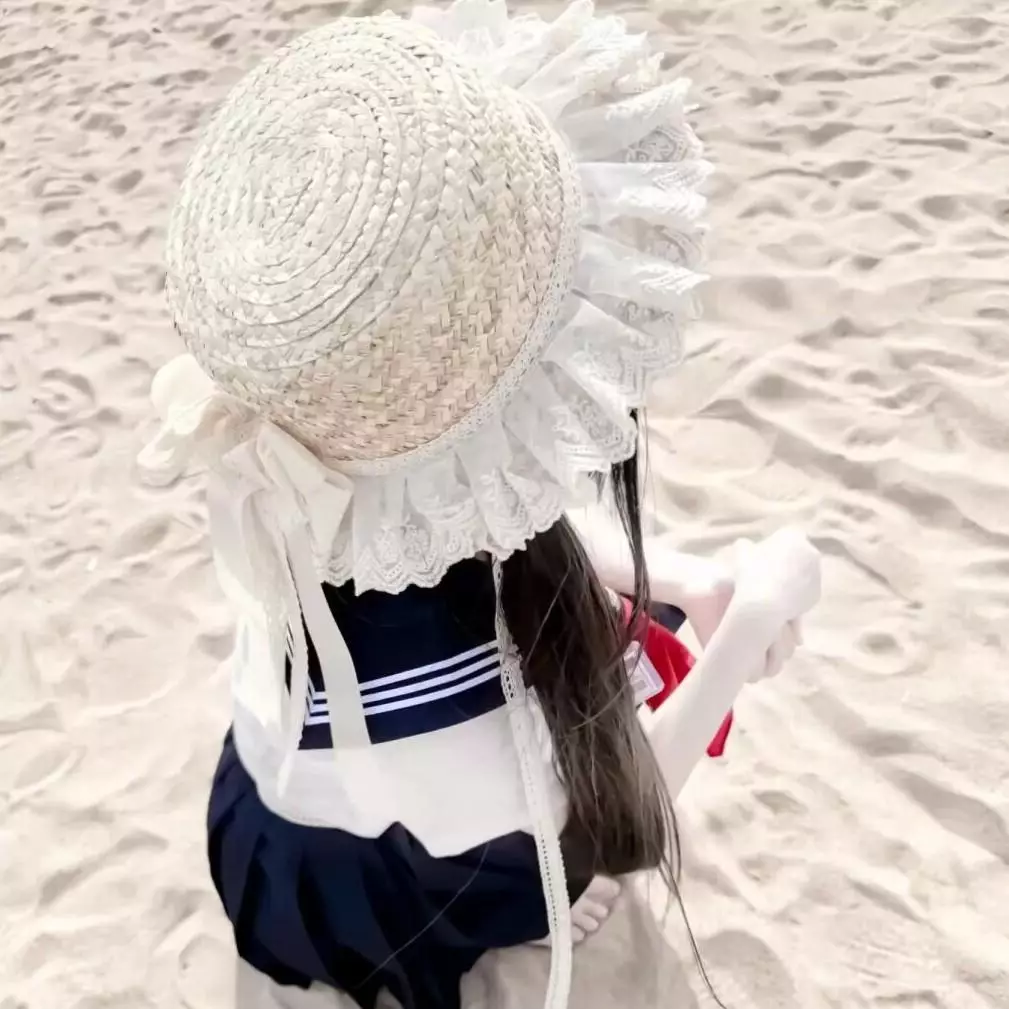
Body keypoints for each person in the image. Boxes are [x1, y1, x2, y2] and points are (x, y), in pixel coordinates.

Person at [138, 4, 821, 1009]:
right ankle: (508, 910)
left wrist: (681, 576)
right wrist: (754, 613)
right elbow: (627, 813)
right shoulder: (449, 710)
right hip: (354, 873)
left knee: (592, 659)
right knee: (561, 826)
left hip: (289, 798)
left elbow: (486, 522)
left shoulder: (303, 481)